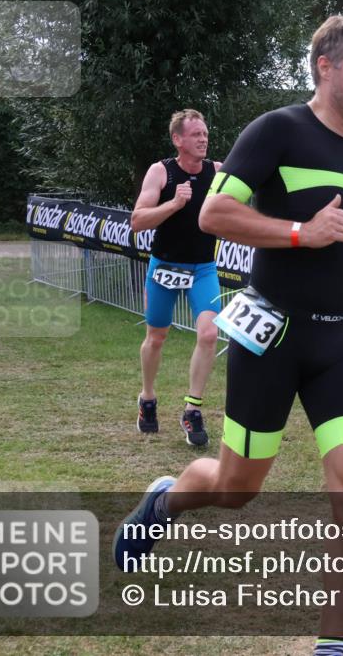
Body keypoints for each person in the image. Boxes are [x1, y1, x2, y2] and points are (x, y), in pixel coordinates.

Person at [114, 14, 343, 656]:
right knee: (236, 489)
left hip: (338, 343)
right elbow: (215, 213)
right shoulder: (277, 130)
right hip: (273, 338)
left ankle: (331, 645)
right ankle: (165, 500)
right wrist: (297, 233)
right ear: (326, 66)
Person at [131, 109, 222, 447]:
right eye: (196, 134)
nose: (203, 139)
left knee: (209, 334)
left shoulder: (217, 172)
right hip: (165, 267)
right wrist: (173, 204)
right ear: (178, 139)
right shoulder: (161, 172)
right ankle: (147, 398)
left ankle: (192, 410)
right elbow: (137, 221)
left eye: (205, 133)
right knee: (156, 337)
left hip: (203, 268)